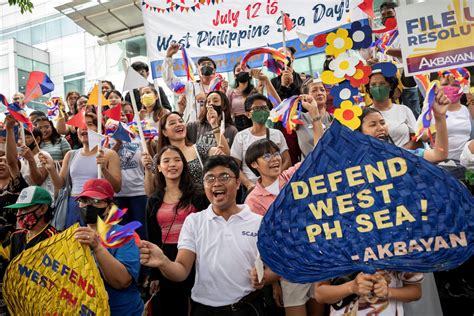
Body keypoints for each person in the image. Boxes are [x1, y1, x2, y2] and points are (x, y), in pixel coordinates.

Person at [140, 156, 277, 314]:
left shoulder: (259, 222)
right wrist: (163, 262)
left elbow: (277, 267)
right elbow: (182, 270)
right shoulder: (194, 221)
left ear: (238, 183)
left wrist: (265, 277)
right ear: (204, 185)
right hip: (205, 310)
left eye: (224, 177)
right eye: (210, 178)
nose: (217, 183)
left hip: (249, 306)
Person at [244, 95, 324, 316]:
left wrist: (315, 116)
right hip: (287, 267)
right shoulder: (253, 200)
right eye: (266, 156)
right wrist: (275, 281)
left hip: (314, 255)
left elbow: (317, 156)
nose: (274, 159)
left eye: (276, 153)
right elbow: (262, 243)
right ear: (253, 164)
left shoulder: (291, 176)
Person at [146, 145, 209, 316]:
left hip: (198, 255)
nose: (172, 164)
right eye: (166, 161)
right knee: (173, 306)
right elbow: (153, 237)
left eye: (177, 159)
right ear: (159, 167)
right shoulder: (154, 200)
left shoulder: (199, 195)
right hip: (167, 256)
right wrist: (154, 275)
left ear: (183, 164)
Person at [74, 178, 144, 315]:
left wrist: (97, 247)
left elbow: (122, 281)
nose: (89, 206)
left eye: (96, 201)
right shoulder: (75, 235)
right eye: (84, 200)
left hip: (122, 311)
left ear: (110, 207)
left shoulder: (125, 234)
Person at [40, 112, 121, 228]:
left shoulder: (109, 154)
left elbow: (117, 188)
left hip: (99, 206)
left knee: (99, 243)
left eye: (89, 124)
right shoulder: (70, 154)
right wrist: (51, 169)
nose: (84, 128)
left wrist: (104, 169)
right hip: (74, 206)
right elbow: (60, 184)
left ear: (99, 129)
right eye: (80, 126)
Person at [0, 185, 57, 315]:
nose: (19, 214)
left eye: (25, 209)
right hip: (18, 305)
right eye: (18, 209)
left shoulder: (55, 240)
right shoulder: (16, 236)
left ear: (42, 209)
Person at [144, 111, 228, 194]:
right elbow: (150, 191)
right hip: (176, 205)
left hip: (202, 203)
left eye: (181, 121)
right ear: (164, 132)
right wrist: (148, 170)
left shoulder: (198, 148)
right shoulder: (159, 157)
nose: (178, 124)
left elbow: (225, 154)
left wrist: (214, 126)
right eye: (172, 123)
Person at [231, 93, 291, 193]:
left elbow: (287, 160)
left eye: (264, 108)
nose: (261, 112)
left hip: (278, 186)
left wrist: (276, 177)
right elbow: (234, 166)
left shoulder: (277, 134)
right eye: (257, 109)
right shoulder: (241, 137)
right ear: (248, 114)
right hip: (253, 188)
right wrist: (248, 184)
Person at [163, 43, 218, 122]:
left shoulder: (220, 87)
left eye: (209, 64)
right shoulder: (190, 86)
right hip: (193, 128)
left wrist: (206, 98)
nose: (206, 66)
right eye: (202, 65)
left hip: (215, 126)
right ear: (198, 70)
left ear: (214, 70)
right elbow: (170, 80)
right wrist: (168, 57)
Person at [365, 69, 418, 149]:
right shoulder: (365, 114)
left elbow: (417, 139)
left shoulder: (403, 110)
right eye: (373, 85)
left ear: (390, 86)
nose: (378, 88)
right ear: (369, 88)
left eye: (382, 84)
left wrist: (400, 152)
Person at [227, 64, 281, 131]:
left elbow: (278, 105)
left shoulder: (256, 91)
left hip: (257, 127)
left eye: (244, 69)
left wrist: (266, 80)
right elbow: (226, 113)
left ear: (250, 73)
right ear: (234, 76)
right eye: (238, 70)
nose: (241, 71)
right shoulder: (230, 93)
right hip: (237, 128)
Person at [1, 116, 29, 225]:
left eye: (4, 161)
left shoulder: (15, 185)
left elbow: (11, 162)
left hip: (11, 238)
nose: (2, 164)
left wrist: (9, 129)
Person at [439, 72, 472, 161]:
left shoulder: (468, 110)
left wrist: (467, 90)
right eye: (445, 84)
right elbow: (422, 135)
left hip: (467, 163)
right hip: (441, 164)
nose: (450, 88)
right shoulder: (433, 110)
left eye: (455, 85)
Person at [17, 127, 55, 197]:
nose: (22, 141)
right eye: (20, 138)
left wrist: (30, 159)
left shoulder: (43, 155)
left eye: (26, 137)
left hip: (42, 200)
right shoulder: (20, 159)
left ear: (37, 140)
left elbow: (38, 181)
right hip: (27, 199)